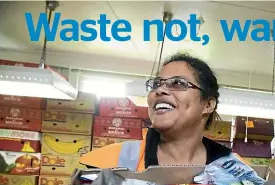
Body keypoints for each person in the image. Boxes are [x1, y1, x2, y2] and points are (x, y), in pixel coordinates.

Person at [79, 53, 248, 170]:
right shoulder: (108, 162)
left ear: (208, 104)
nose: (159, 90)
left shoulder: (237, 171)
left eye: (179, 83)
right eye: (156, 84)